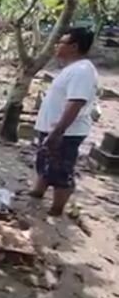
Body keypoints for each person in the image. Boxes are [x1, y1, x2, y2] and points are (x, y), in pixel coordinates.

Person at [30, 27, 98, 217]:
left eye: (61, 42)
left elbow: (76, 103)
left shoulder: (82, 71)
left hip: (66, 132)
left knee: (61, 169)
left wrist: (57, 132)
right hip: (54, 128)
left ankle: (57, 208)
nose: (57, 45)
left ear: (74, 47)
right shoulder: (72, 69)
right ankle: (38, 191)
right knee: (45, 162)